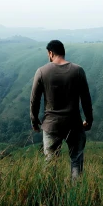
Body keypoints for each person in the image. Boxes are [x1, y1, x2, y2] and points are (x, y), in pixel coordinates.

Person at [30, 40, 93, 180]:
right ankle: (76, 196)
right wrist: (89, 120)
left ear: (51, 53)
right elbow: (86, 99)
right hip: (75, 124)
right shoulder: (78, 70)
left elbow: (34, 100)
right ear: (63, 52)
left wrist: (34, 121)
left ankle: (50, 197)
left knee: (50, 163)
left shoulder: (41, 72)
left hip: (51, 125)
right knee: (76, 161)